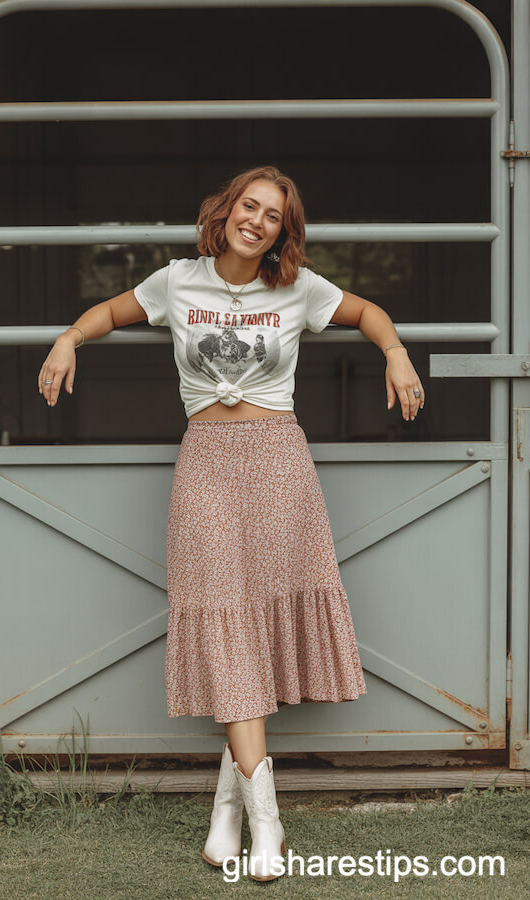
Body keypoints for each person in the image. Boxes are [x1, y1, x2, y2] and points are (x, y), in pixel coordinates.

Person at [37, 165, 424, 881]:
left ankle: (225, 822)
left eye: (273, 215)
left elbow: (367, 312)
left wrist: (395, 353)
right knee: (226, 623)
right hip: (207, 464)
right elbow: (112, 312)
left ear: (284, 231)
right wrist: (69, 339)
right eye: (250, 206)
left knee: (255, 632)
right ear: (227, 210)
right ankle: (267, 823)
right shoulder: (177, 281)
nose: (258, 221)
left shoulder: (298, 288)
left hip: (280, 462)